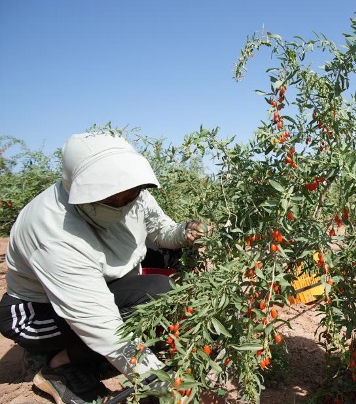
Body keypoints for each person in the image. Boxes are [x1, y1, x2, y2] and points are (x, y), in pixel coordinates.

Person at [0, 133, 205, 403]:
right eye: (113, 199)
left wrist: (184, 232)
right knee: (158, 294)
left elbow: (160, 231)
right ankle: (60, 366)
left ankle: (111, 349)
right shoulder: (51, 229)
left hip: (100, 281)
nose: (123, 203)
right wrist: (156, 377)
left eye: (129, 196)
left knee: (173, 259)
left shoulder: (133, 191)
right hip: (38, 312)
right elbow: (97, 321)